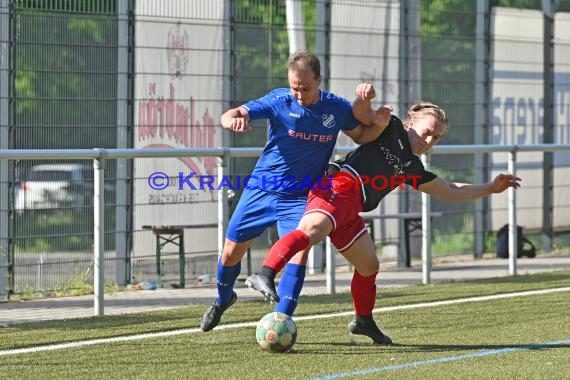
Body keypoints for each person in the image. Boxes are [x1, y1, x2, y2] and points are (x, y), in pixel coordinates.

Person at [245, 84, 521, 344]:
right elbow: (362, 116)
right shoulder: (392, 126)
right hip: (338, 187)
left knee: (369, 266)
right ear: (411, 122)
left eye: (436, 137)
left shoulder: (412, 167)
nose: (429, 139)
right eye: (427, 131)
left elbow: (450, 189)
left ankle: (363, 321)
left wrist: (491, 188)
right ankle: (265, 273)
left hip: (352, 208)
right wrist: (365, 98)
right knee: (311, 232)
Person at [200, 52, 387, 332]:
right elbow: (233, 114)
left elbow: (361, 135)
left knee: (299, 252)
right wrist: (232, 121)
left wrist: (380, 123)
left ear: (319, 80)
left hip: (302, 195)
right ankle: (223, 299)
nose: (299, 94)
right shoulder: (279, 100)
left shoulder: (335, 108)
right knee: (230, 254)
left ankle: (281, 320)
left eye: (305, 88)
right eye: (294, 87)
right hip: (262, 189)